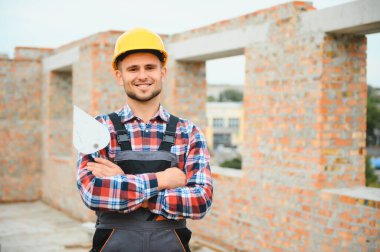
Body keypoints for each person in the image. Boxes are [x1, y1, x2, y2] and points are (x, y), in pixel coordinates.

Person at [76, 27, 213, 252]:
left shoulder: (188, 132)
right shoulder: (98, 129)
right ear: (119, 76)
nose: (142, 76)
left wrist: (124, 182)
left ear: (163, 73)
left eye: (150, 67)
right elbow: (94, 192)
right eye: (133, 69)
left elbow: (200, 202)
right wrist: (162, 180)